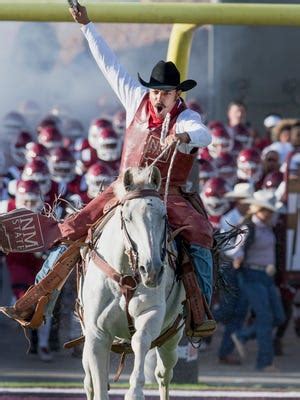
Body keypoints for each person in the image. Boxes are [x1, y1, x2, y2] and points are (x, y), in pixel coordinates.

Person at [0, 3, 215, 338]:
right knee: (72, 227)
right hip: (124, 189)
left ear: (177, 95)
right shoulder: (135, 99)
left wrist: (184, 135)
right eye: (156, 91)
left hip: (166, 193)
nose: (159, 97)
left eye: (166, 93)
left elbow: (206, 135)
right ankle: (34, 299)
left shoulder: (187, 118)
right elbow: (109, 65)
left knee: (201, 233)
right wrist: (87, 26)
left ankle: (199, 309)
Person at [229, 190, 286, 371]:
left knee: (278, 316)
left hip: (266, 276)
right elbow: (233, 248)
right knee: (265, 318)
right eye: (266, 210)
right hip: (251, 275)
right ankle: (264, 362)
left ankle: (243, 335)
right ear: (257, 210)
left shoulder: (267, 226)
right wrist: (238, 257)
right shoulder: (248, 227)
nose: (269, 214)